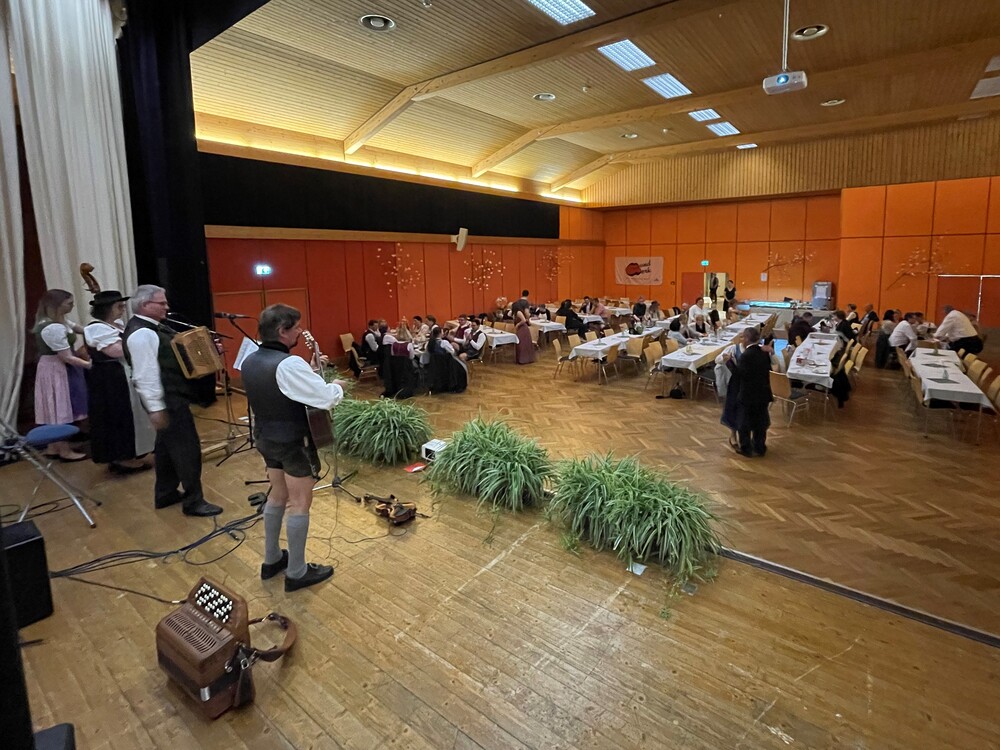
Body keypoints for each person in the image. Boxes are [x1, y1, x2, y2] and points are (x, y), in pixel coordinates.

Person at [241, 304, 348, 591]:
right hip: (293, 441)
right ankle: (297, 572)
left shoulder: (250, 360)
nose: (300, 331)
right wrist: (338, 386)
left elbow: (280, 389)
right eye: (297, 327)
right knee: (299, 503)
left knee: (277, 497)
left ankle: (272, 559)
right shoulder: (289, 364)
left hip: (266, 437)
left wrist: (308, 372)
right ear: (282, 331)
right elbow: (325, 398)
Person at [123, 285, 222, 517]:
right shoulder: (142, 334)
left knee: (166, 448)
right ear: (145, 305)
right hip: (167, 398)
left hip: (168, 396)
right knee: (187, 449)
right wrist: (156, 408)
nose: (167, 307)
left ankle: (165, 493)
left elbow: (172, 357)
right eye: (161, 303)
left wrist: (208, 353)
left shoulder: (152, 328)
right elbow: (145, 374)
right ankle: (194, 501)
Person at [84, 290, 155, 474]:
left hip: (120, 375)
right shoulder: (97, 329)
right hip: (110, 379)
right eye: (119, 306)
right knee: (117, 416)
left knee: (129, 415)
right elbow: (116, 351)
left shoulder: (116, 325)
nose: (123, 308)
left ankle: (131, 453)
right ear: (107, 309)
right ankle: (122, 457)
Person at [32, 289, 91, 460]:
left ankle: (53, 447)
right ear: (56, 305)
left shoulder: (60, 321)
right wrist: (88, 364)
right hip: (56, 369)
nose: (72, 306)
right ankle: (64, 450)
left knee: (55, 406)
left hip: (53, 367)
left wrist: (101, 329)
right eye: (69, 303)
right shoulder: (53, 328)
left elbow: (81, 329)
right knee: (59, 407)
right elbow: (66, 357)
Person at [735, 327, 773, 457]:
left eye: (742, 337)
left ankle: (746, 448)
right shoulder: (763, 353)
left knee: (744, 422)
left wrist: (730, 363)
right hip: (763, 393)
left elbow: (740, 374)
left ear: (746, 338)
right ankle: (760, 447)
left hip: (748, 394)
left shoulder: (745, 356)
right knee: (760, 422)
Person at [716, 330, 748, 448]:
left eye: (746, 337)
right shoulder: (733, 349)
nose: (744, 339)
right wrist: (724, 358)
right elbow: (717, 360)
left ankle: (746, 436)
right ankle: (733, 435)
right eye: (742, 337)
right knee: (734, 408)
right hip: (735, 384)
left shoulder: (754, 350)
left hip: (748, 385)